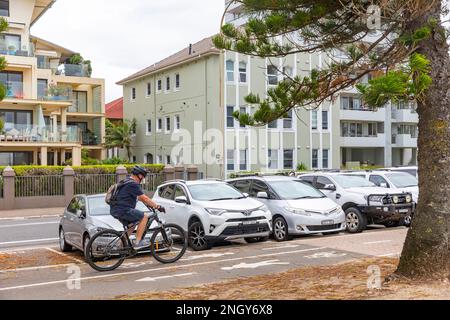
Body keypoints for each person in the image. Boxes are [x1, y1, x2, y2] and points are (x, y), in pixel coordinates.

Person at [110, 165, 165, 249]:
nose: (143, 178)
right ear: (139, 175)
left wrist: (149, 204)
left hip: (116, 209)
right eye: (143, 176)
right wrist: (157, 206)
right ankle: (137, 242)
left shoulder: (126, 181)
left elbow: (139, 197)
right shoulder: (133, 184)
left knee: (132, 225)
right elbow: (144, 197)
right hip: (123, 210)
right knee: (144, 217)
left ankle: (120, 246)